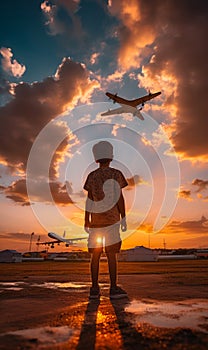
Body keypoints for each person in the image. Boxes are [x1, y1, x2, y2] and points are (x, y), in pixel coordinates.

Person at [83, 141, 128, 299]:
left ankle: (94, 288)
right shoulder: (116, 174)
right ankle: (113, 288)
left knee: (95, 255)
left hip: (96, 221)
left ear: (96, 158)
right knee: (111, 255)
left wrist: (86, 220)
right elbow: (120, 198)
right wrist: (123, 218)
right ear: (111, 156)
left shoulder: (92, 176)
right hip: (112, 220)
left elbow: (89, 199)